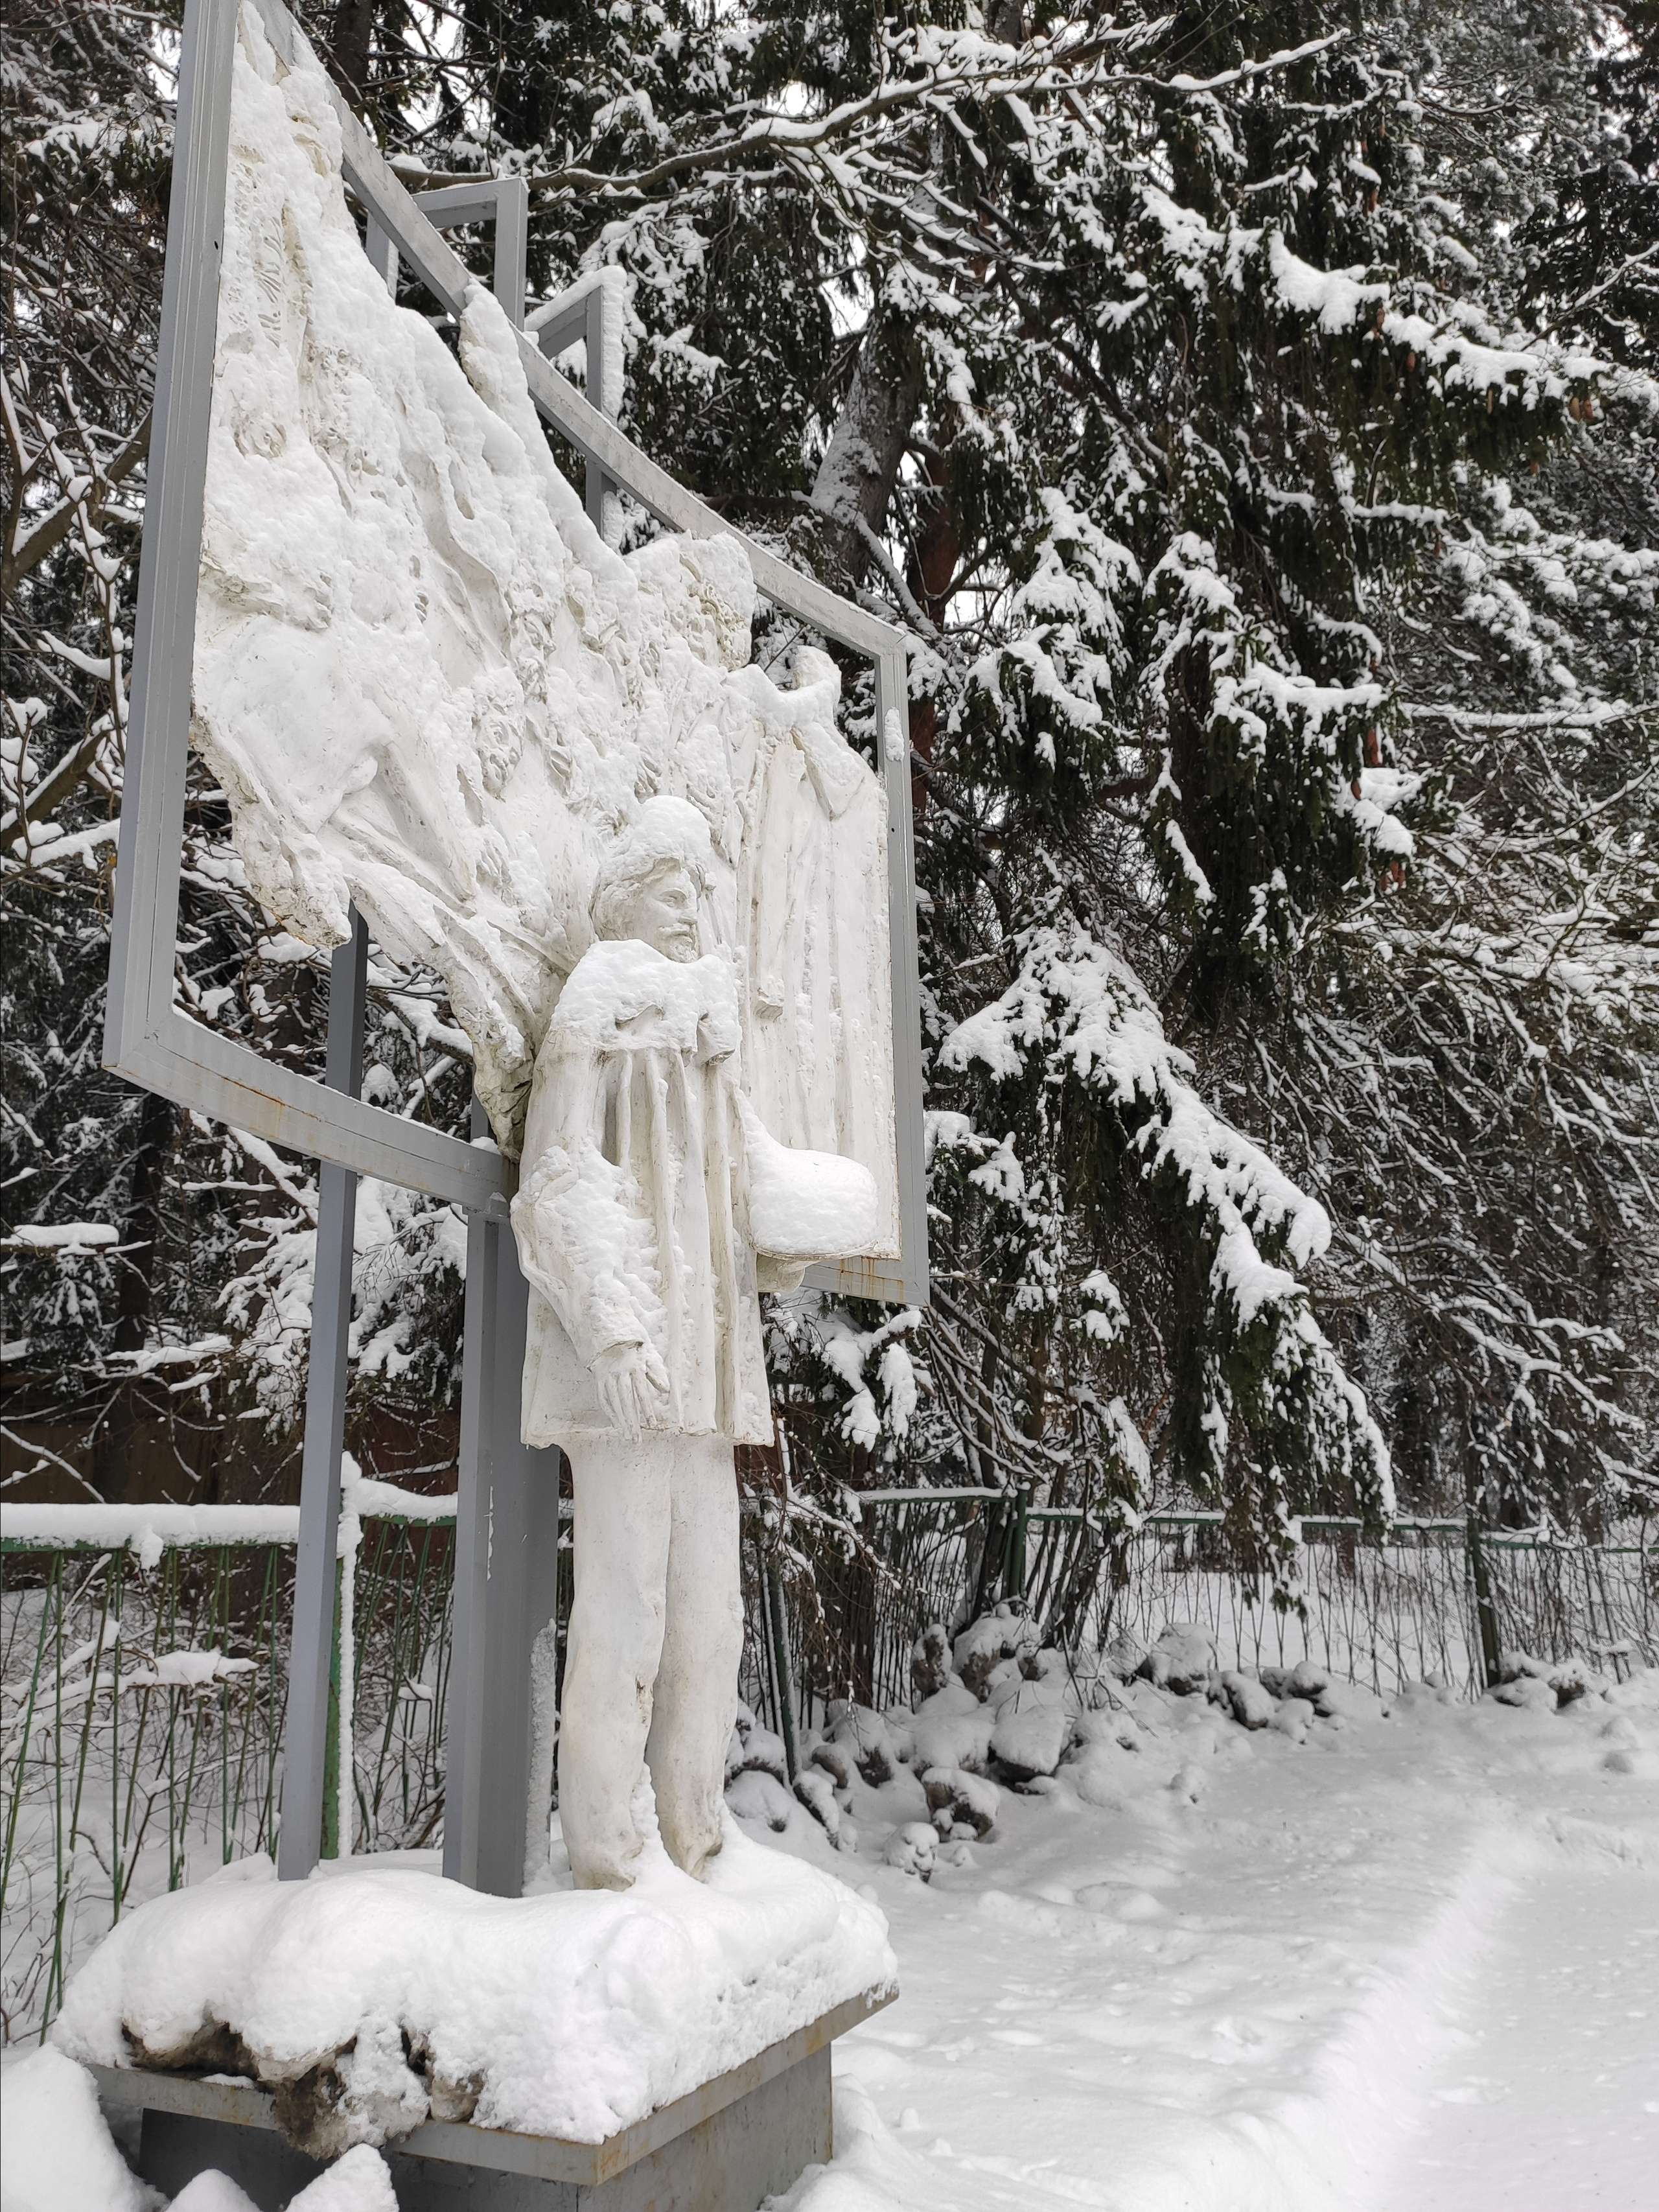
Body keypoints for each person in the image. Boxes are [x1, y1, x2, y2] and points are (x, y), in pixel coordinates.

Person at [511, 796, 877, 1889]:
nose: (687, 910)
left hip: (709, 1374)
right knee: (626, 1612)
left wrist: (824, 1211)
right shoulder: (595, 1007)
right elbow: (559, 1178)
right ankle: (609, 1860)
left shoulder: (710, 1031)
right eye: (670, 891)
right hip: (630, 1366)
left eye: (694, 894)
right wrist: (613, 1329)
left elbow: (745, 1177)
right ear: (626, 899)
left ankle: (696, 1841)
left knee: (712, 1622)